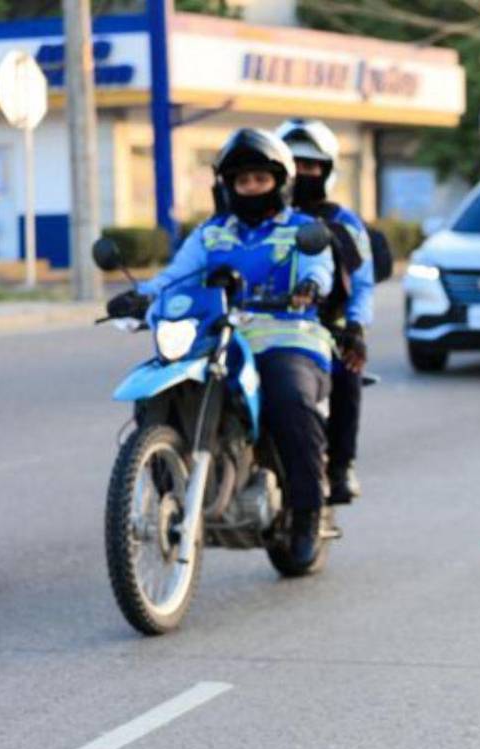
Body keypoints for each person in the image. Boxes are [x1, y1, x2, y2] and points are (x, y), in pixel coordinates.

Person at [108, 127, 335, 568]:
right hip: (216, 335)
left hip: (285, 334)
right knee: (158, 392)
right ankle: (172, 485)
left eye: (260, 180)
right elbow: (176, 277)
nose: (250, 188)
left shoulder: (303, 229)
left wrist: (310, 284)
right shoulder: (210, 234)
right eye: (242, 181)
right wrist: (143, 296)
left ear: (279, 183)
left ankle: (307, 511)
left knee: (289, 399)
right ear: (228, 186)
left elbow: (318, 265)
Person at [276, 118, 391, 505]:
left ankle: (340, 466)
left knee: (347, 369)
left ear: (326, 170)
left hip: (325, 326)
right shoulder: (258, 217)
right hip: (264, 321)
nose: (303, 173)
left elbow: (362, 283)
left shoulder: (343, 223)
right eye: (295, 165)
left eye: (311, 166)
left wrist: (355, 327)